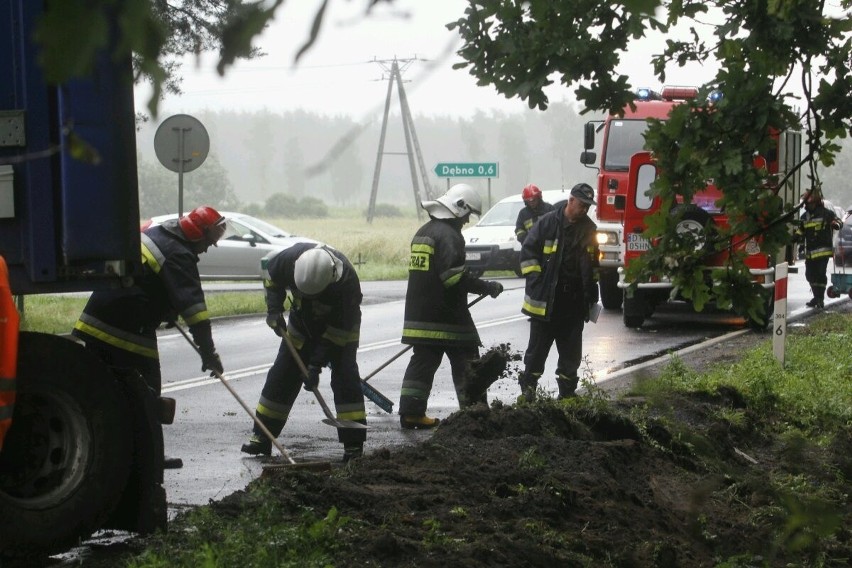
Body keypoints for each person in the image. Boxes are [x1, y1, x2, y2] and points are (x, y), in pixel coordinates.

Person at [72, 205, 228, 469]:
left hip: (97, 321)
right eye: (208, 241)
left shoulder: (157, 233)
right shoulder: (179, 254)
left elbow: (146, 278)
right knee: (148, 391)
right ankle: (150, 455)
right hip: (127, 330)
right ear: (196, 234)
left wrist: (162, 306)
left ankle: (103, 451)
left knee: (104, 390)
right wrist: (208, 352)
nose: (208, 248)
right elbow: (196, 312)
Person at [241, 242, 367, 463]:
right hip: (301, 325)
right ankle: (262, 436)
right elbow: (272, 279)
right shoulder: (288, 260)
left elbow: (336, 334)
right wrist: (274, 310)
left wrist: (315, 367)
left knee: (345, 377)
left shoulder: (347, 285)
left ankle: (353, 445)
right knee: (282, 375)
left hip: (339, 331)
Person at [398, 183, 504, 429]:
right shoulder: (449, 236)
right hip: (446, 317)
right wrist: (486, 287)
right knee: (468, 359)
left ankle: (411, 412)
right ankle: (475, 413)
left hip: (418, 315)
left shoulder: (424, 231)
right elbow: (453, 278)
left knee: (423, 363)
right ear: (459, 208)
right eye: (467, 215)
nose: (466, 221)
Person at [517, 183, 600, 400]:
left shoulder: (589, 229)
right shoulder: (547, 223)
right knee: (536, 353)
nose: (585, 210)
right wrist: (536, 281)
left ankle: (567, 396)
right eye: (582, 205)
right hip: (546, 303)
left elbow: (593, 266)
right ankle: (528, 393)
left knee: (571, 355)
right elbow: (528, 253)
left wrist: (592, 294)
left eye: (588, 207)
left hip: (573, 304)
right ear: (571, 200)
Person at [795, 190, 842, 309]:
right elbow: (800, 232)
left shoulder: (826, 213)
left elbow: (839, 222)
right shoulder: (804, 217)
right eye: (805, 203)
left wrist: (835, 224)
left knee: (820, 275)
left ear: (815, 203)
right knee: (809, 275)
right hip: (810, 253)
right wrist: (795, 240)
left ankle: (819, 298)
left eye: (808, 203)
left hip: (822, 252)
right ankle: (816, 297)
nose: (806, 205)